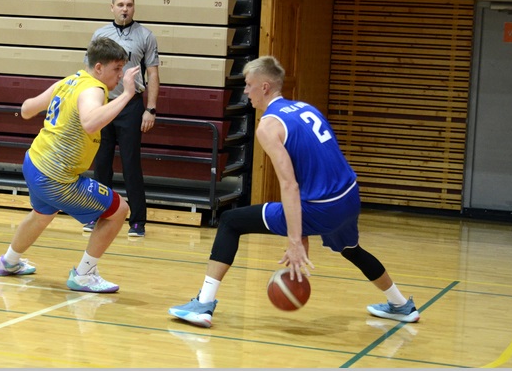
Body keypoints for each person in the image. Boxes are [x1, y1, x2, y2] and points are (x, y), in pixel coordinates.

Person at [168, 56, 420, 327]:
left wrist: (295, 241)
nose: (246, 91)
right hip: (348, 197)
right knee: (351, 250)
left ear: (265, 87)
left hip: (321, 207)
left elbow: (289, 184)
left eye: (248, 84)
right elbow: (321, 164)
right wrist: (301, 231)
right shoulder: (305, 108)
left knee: (230, 222)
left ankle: (203, 305)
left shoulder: (268, 126)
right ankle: (400, 305)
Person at [0, 37, 140, 293]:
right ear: (99, 68)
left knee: (42, 215)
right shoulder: (94, 89)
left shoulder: (69, 81)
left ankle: (9, 262)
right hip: (54, 176)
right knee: (119, 210)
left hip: (34, 162)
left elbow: (26, 109)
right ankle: (84, 275)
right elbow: (90, 123)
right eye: (117, 69)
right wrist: (127, 95)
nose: (121, 75)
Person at [82, 0, 160, 237]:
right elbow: (88, 73)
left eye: (129, 5)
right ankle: (98, 214)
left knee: (130, 164)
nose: (125, 9)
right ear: (112, 7)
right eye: (120, 4)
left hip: (131, 107)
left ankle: (137, 221)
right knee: (101, 163)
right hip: (104, 105)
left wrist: (150, 109)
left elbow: (153, 74)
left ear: (133, 7)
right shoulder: (100, 35)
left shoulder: (146, 36)